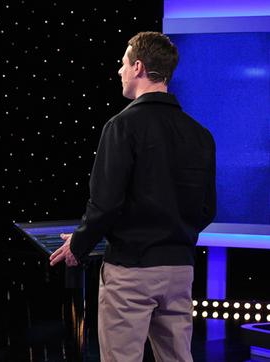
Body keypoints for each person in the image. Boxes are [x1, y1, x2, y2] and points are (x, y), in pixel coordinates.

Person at [50, 32, 216, 361]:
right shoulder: (200, 134)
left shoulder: (121, 126)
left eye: (123, 63)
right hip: (180, 270)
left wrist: (79, 244)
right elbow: (207, 209)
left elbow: (105, 203)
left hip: (131, 272)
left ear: (138, 67)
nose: (119, 71)